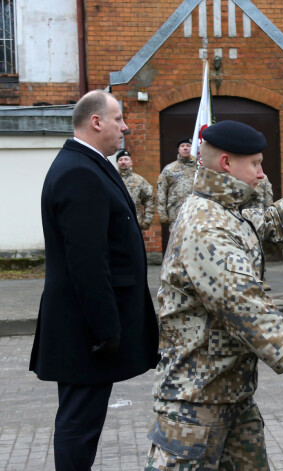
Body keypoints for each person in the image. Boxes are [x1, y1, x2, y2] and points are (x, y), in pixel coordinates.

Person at [144, 120, 283, 470]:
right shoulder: (206, 227)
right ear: (226, 164)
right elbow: (254, 317)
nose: (261, 174)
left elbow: (270, 226)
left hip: (232, 397)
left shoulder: (231, 209)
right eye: (254, 164)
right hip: (195, 406)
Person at [30, 90, 160, 470]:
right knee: (79, 422)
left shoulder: (88, 164)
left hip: (85, 323)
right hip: (85, 327)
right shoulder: (77, 172)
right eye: (119, 118)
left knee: (82, 418)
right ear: (96, 121)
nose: (126, 126)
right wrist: (107, 329)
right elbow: (87, 260)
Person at [156, 137, 195, 226]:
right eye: (182, 146)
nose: (185, 148)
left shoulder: (199, 168)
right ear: (178, 149)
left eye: (188, 146)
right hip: (176, 213)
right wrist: (162, 214)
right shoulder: (169, 169)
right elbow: (161, 191)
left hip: (196, 213)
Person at [116, 149, 155, 230]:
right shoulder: (112, 179)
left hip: (135, 224)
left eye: (126, 159)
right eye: (120, 160)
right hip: (115, 224)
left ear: (131, 162)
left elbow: (149, 197)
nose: (123, 162)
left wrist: (147, 220)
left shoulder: (139, 180)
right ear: (117, 163)